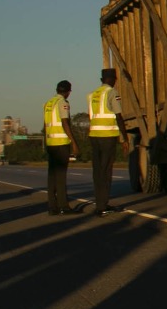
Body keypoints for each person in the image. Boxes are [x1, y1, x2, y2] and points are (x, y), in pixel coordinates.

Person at [86, 69, 128, 215]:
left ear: (101, 79)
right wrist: (125, 138)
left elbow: (91, 116)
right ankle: (102, 206)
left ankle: (99, 203)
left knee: (97, 172)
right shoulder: (112, 93)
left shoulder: (92, 95)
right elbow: (118, 116)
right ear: (112, 79)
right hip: (107, 136)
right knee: (106, 171)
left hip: (94, 136)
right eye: (114, 79)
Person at [42, 81, 80, 215]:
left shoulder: (48, 103)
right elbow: (65, 123)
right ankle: (64, 206)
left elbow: (46, 126)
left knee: (52, 176)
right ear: (68, 92)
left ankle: (52, 207)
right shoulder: (63, 102)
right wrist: (73, 142)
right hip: (61, 144)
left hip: (51, 143)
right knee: (61, 176)